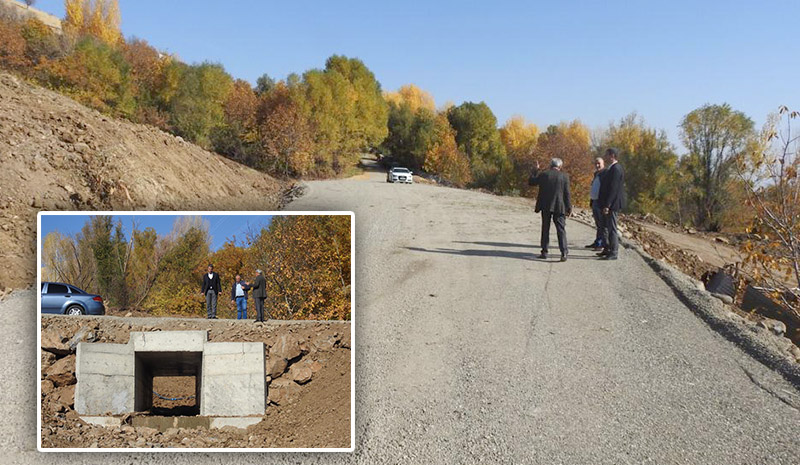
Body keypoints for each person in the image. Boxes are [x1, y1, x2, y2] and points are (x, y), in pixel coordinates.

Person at [529, 157, 572, 262]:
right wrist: (569, 207)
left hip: (546, 205)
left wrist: (535, 170)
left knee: (545, 228)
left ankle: (544, 251)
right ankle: (564, 252)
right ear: (560, 166)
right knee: (561, 230)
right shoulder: (564, 176)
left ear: (550, 165)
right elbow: (567, 193)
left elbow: (532, 182)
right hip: (559, 206)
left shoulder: (544, 174)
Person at [597, 148, 626, 260]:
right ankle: (607, 248)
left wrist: (608, 205)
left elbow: (613, 188)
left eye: (607, 154)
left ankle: (614, 252)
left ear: (612, 155)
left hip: (613, 204)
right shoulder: (611, 168)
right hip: (608, 203)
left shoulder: (616, 169)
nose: (605, 156)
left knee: (612, 228)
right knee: (606, 227)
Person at [586, 157, 606, 250]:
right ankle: (598, 241)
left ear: (603, 164)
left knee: (602, 224)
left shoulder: (605, 174)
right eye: (596, 163)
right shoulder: (596, 174)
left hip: (600, 202)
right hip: (594, 201)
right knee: (598, 224)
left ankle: (601, 243)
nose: (597, 165)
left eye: (599, 163)